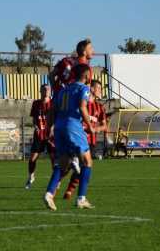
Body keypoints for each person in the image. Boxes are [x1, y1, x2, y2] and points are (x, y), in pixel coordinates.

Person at [43, 64, 95, 211]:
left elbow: (52, 110)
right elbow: (82, 106)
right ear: (86, 76)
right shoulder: (83, 88)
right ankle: (81, 199)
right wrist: (90, 126)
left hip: (59, 128)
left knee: (63, 164)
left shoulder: (64, 90)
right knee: (87, 161)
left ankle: (49, 193)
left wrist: (48, 127)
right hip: (73, 127)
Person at [63, 79, 107, 200]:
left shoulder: (99, 107)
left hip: (90, 142)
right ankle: (57, 187)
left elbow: (104, 125)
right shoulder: (82, 104)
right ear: (92, 89)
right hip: (78, 139)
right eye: (99, 88)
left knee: (81, 168)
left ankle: (69, 191)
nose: (100, 91)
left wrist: (95, 129)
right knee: (68, 167)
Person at [25, 84, 54, 189]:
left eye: (48, 89)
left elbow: (57, 117)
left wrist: (53, 128)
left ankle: (56, 181)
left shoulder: (53, 103)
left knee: (53, 158)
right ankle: (31, 176)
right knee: (32, 158)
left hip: (51, 135)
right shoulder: (36, 103)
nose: (46, 90)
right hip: (39, 135)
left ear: (50, 91)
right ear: (40, 91)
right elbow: (34, 119)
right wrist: (35, 127)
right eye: (44, 89)